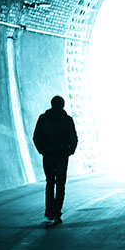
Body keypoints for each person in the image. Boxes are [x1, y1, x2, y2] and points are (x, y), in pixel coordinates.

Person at [32, 95, 78, 225]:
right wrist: (70, 151)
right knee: (60, 184)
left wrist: (42, 150)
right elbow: (73, 137)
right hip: (62, 155)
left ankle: (49, 211)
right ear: (62, 105)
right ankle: (57, 212)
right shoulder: (67, 120)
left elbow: (36, 137)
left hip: (48, 155)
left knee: (50, 182)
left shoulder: (43, 118)